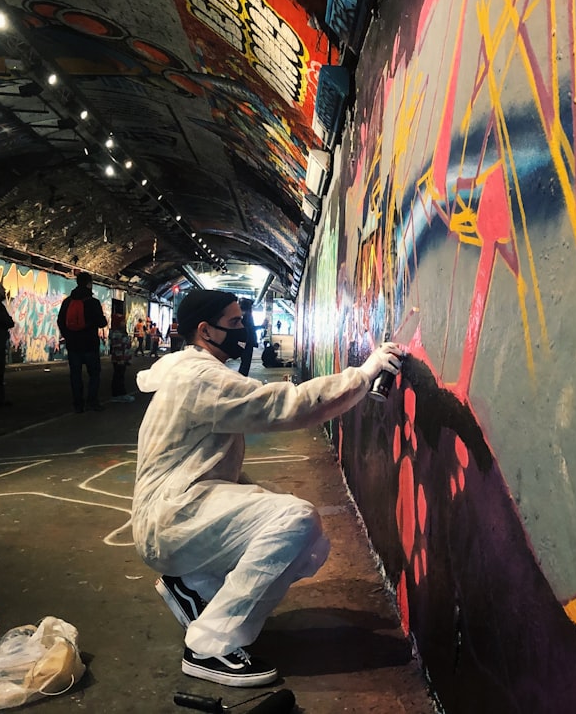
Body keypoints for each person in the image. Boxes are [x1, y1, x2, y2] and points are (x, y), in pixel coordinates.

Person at [131, 289, 404, 687]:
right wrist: (362, 376)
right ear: (206, 330)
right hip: (172, 518)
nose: (246, 331)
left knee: (285, 523)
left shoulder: (187, 371)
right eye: (236, 322)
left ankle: (191, 584)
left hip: (175, 511)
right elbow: (283, 405)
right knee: (295, 521)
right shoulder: (200, 378)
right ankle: (209, 647)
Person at [57, 272, 108, 413]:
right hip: (90, 344)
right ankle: (92, 402)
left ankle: (78, 405)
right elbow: (102, 323)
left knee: (75, 375)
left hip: (73, 345)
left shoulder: (67, 302)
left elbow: (61, 321)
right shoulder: (93, 302)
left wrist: (68, 336)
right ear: (88, 283)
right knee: (94, 374)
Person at [108, 313, 134, 402]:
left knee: (119, 376)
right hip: (119, 359)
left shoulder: (120, 332)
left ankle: (118, 394)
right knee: (119, 376)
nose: (124, 323)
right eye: (122, 321)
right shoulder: (117, 333)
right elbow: (118, 347)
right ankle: (119, 394)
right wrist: (121, 359)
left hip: (122, 359)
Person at [237, 298, 257, 376]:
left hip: (244, 341)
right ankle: (241, 378)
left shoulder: (242, 315)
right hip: (247, 342)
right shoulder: (247, 315)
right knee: (246, 362)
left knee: (244, 361)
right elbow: (250, 328)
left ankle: (241, 377)